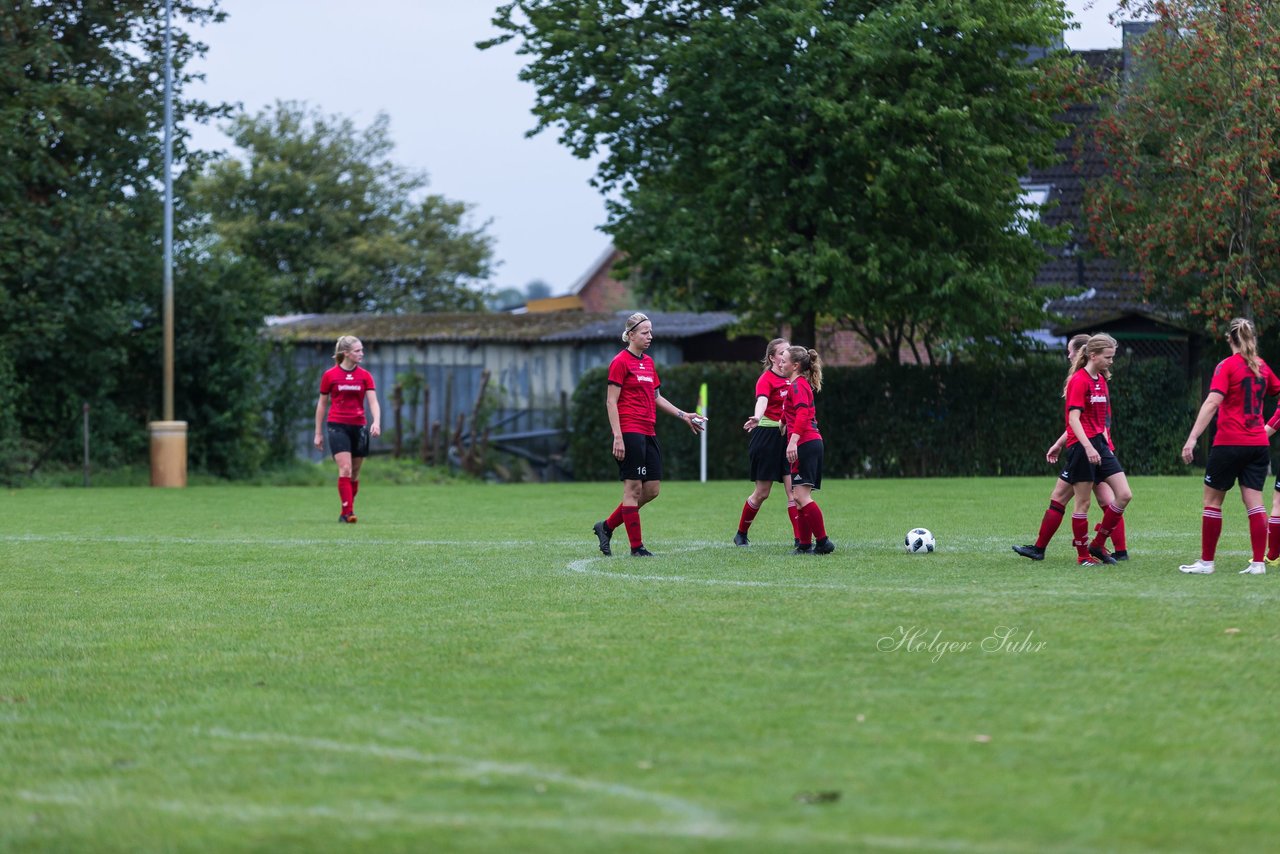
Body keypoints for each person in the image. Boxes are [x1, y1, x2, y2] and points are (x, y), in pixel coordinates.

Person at [592, 313, 706, 557]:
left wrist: (684, 415)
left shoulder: (649, 363)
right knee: (632, 489)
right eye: (645, 332)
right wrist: (618, 436)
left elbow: (656, 397)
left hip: (648, 431)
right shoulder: (620, 362)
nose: (650, 336)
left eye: (650, 332)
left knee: (652, 490)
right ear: (631, 335)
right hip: (630, 431)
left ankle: (607, 526)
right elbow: (611, 402)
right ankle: (637, 548)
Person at [1014, 333, 1129, 563]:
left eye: (1070, 351)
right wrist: (1079, 446)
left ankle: (1100, 546)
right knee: (1072, 500)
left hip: (1097, 446)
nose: (1112, 361)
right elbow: (1075, 420)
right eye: (1109, 356)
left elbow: (1094, 420)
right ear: (1093, 355)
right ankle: (1081, 554)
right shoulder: (1079, 380)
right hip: (1084, 448)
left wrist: (1096, 445)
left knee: (1119, 496)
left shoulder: (1099, 380)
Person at [1178, 317, 1280, 575]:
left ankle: (1207, 563)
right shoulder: (1262, 367)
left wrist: (1192, 438)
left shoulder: (1227, 366)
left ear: (1229, 339)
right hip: (1258, 444)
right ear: (1252, 338)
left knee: (1212, 502)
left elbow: (1212, 403)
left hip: (1229, 443)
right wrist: (1271, 425)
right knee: (1255, 503)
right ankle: (1258, 564)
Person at [734, 338, 800, 547]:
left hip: (788, 438)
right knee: (762, 493)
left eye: (789, 351)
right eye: (782, 352)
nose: (786, 355)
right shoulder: (766, 379)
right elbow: (762, 399)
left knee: (794, 492)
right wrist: (757, 416)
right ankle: (741, 534)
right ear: (772, 357)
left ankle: (801, 540)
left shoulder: (794, 378)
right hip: (767, 437)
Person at [314, 335, 381, 523]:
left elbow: (373, 402)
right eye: (358, 350)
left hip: (359, 427)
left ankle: (347, 510)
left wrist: (376, 421)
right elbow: (321, 405)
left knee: (355, 473)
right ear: (346, 353)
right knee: (345, 468)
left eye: (362, 350)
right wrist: (318, 433)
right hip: (337, 425)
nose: (362, 353)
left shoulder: (365, 376)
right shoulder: (330, 375)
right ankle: (347, 513)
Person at [780, 345, 835, 555]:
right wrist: (783, 421)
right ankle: (804, 544)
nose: (780, 363)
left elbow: (803, 415)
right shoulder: (796, 385)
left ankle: (823, 542)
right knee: (797, 495)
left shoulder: (797, 386)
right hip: (806, 443)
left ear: (795, 366)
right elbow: (794, 411)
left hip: (805, 444)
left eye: (783, 360)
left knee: (801, 496)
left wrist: (793, 441)